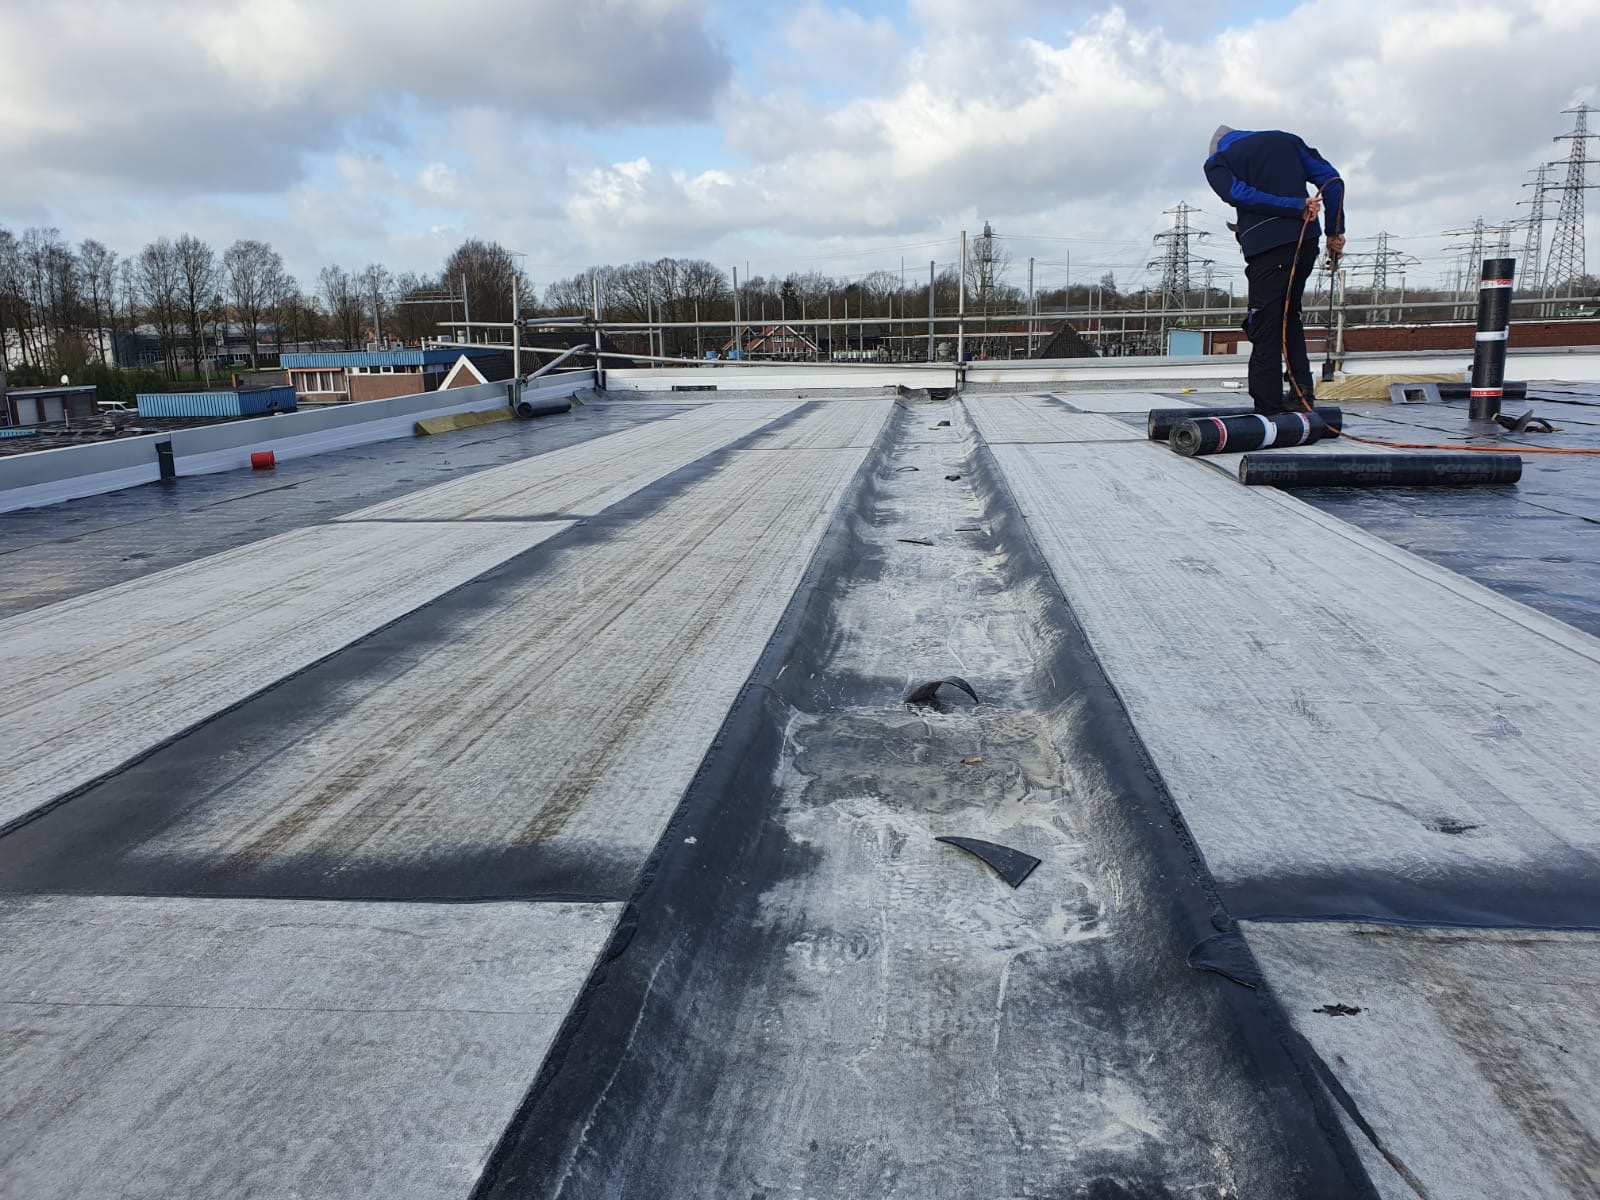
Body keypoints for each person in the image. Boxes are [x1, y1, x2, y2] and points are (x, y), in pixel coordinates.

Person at [1204, 126, 1346, 414]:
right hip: (1305, 242)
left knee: (1265, 326)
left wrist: (1294, 206)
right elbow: (1333, 181)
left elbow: (1238, 193)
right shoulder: (1288, 141)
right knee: (1289, 317)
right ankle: (1302, 397)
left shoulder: (1217, 162)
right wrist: (1335, 230)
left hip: (1267, 249)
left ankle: (1268, 408)